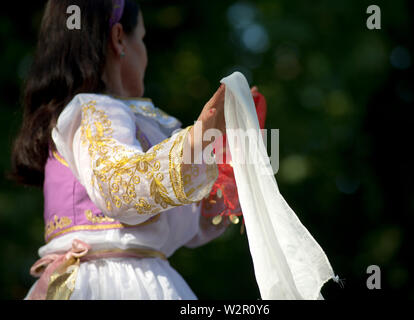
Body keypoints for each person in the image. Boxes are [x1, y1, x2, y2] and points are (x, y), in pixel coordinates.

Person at [11, 0, 260, 299]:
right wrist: (200, 139)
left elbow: (188, 227)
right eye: (141, 38)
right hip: (111, 283)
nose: (146, 52)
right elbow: (120, 187)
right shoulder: (94, 110)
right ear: (119, 39)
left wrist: (228, 163)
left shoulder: (146, 123)